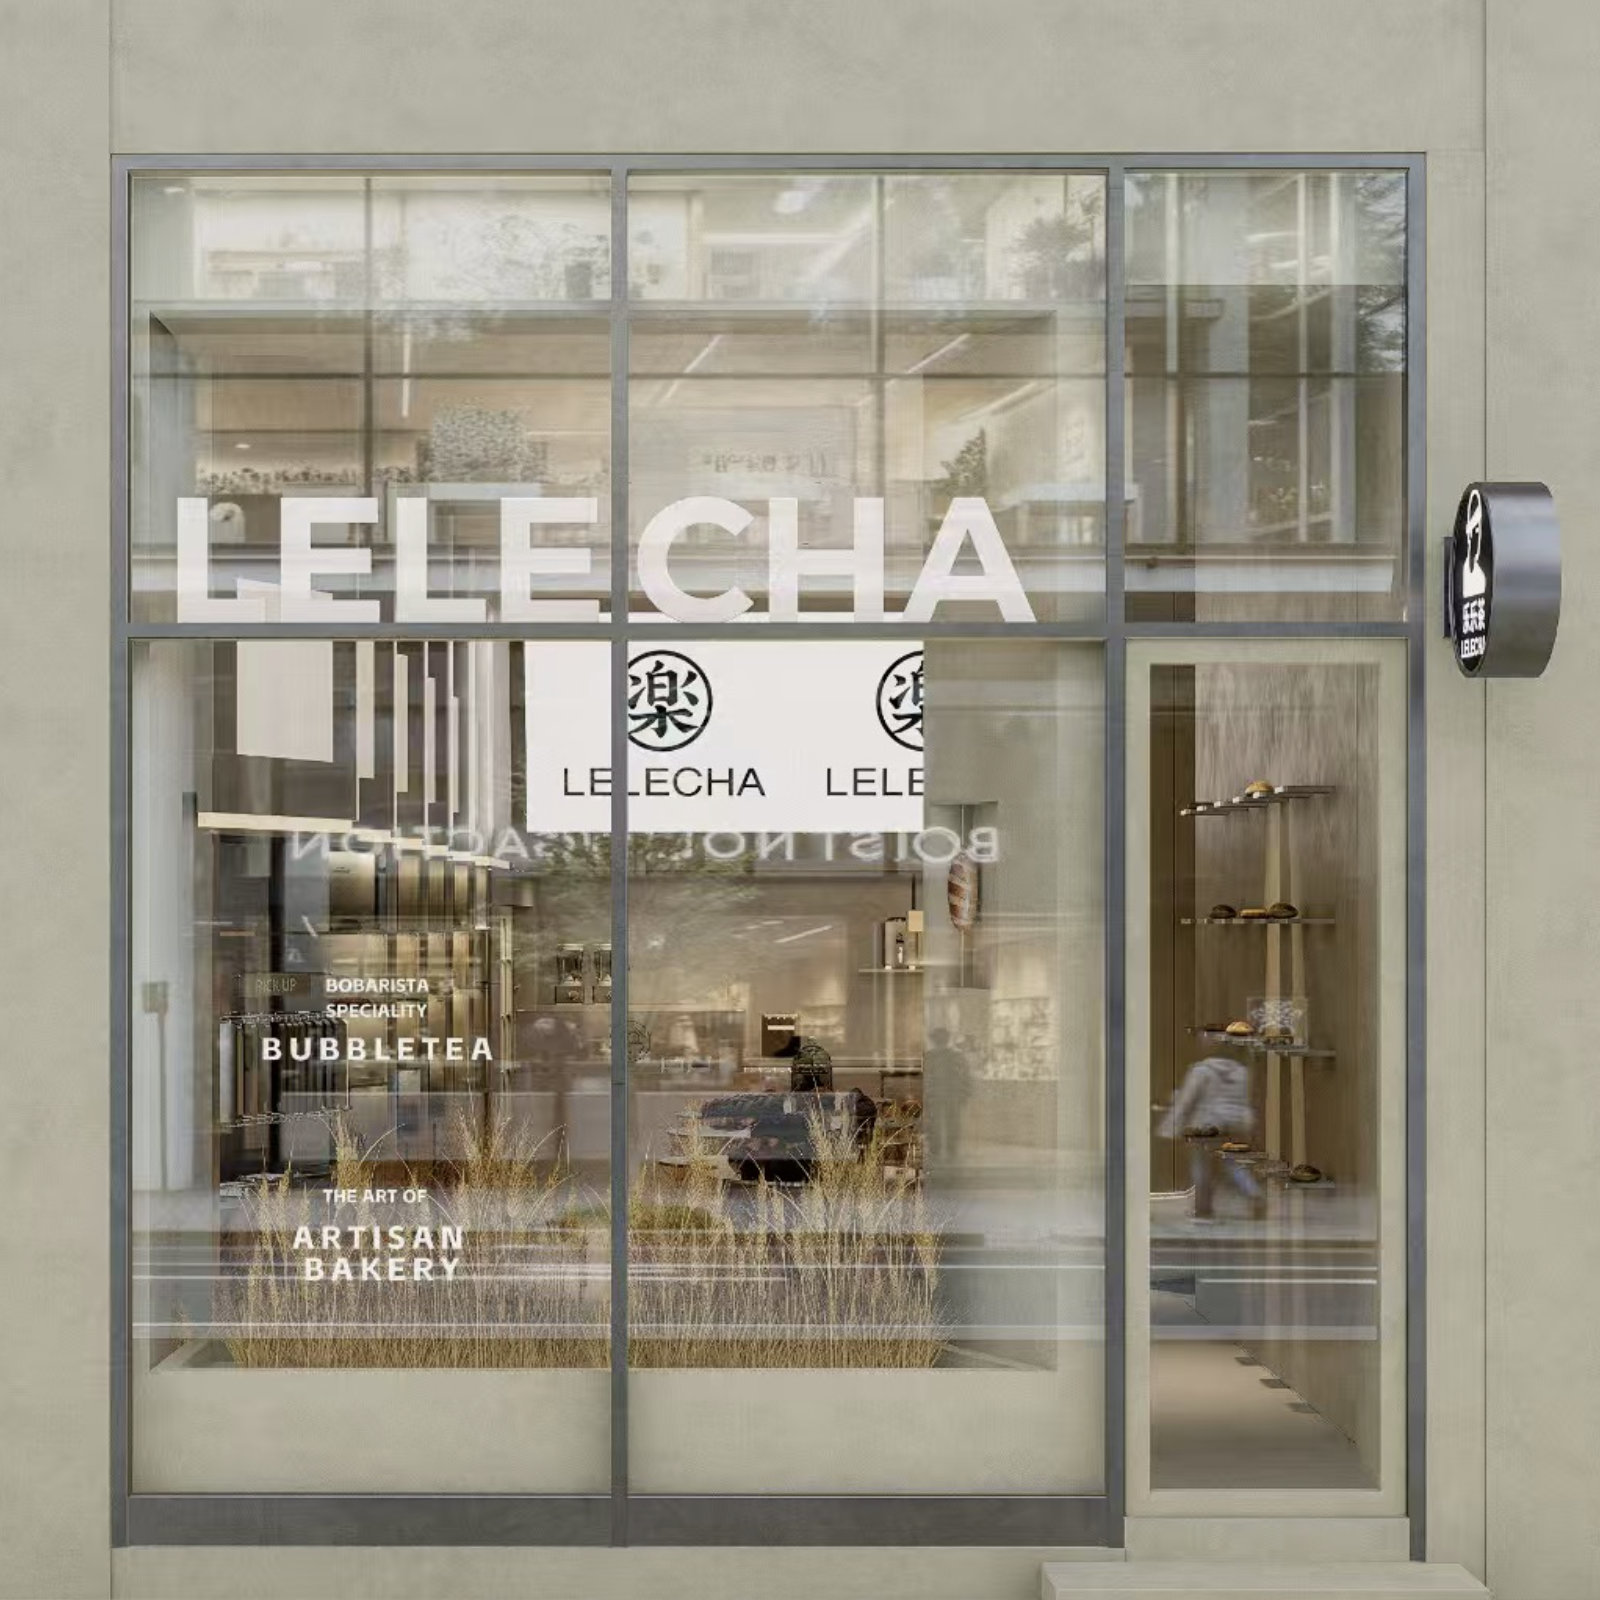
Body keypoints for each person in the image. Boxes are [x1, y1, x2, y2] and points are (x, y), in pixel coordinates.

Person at [1158, 1051, 1264, 1220]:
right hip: (1232, 1123)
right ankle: (1253, 1193)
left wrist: (1170, 1126)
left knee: (1200, 1165)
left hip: (1206, 1124)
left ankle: (1203, 1208)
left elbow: (1186, 1100)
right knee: (1231, 1162)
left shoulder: (1201, 1070)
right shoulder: (1241, 1071)